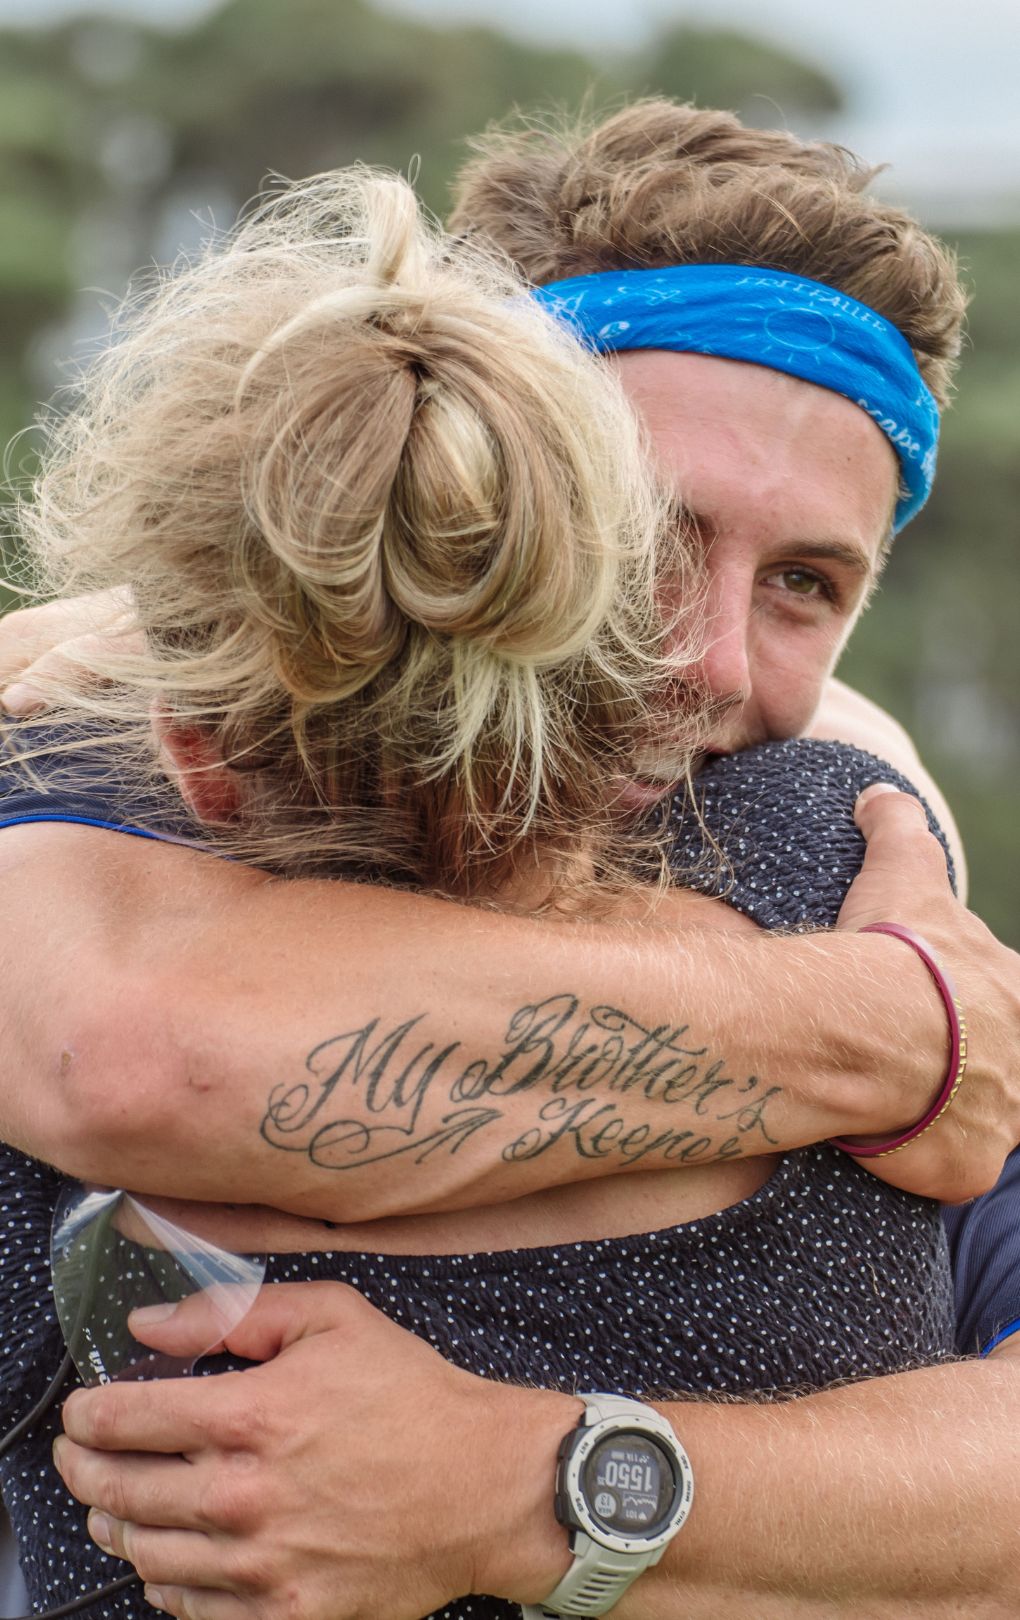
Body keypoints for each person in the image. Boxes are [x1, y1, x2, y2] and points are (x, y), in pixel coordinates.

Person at [1, 101, 1020, 1618]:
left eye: (807, 584)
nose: (710, 662)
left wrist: (539, 1483)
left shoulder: (852, 849)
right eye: (650, 536)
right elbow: (132, 1054)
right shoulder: (104, 774)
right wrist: (893, 1036)